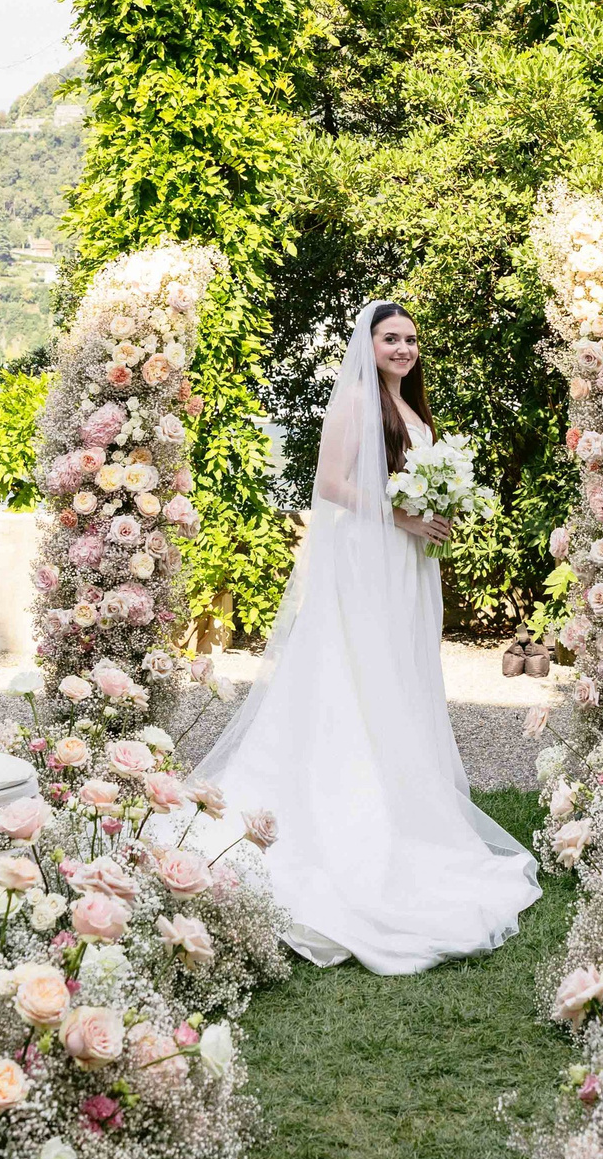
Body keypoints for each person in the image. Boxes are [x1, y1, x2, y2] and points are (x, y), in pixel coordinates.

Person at [196, 300, 540, 974]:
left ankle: (404, 800)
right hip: (367, 558)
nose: (404, 348)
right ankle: (342, 815)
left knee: (400, 681)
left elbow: (411, 483)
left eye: (411, 339)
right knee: (356, 677)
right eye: (392, 338)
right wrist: (406, 519)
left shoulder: (411, 407)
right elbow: (330, 483)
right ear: (369, 343)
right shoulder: (356, 401)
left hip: (406, 565)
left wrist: (438, 510)